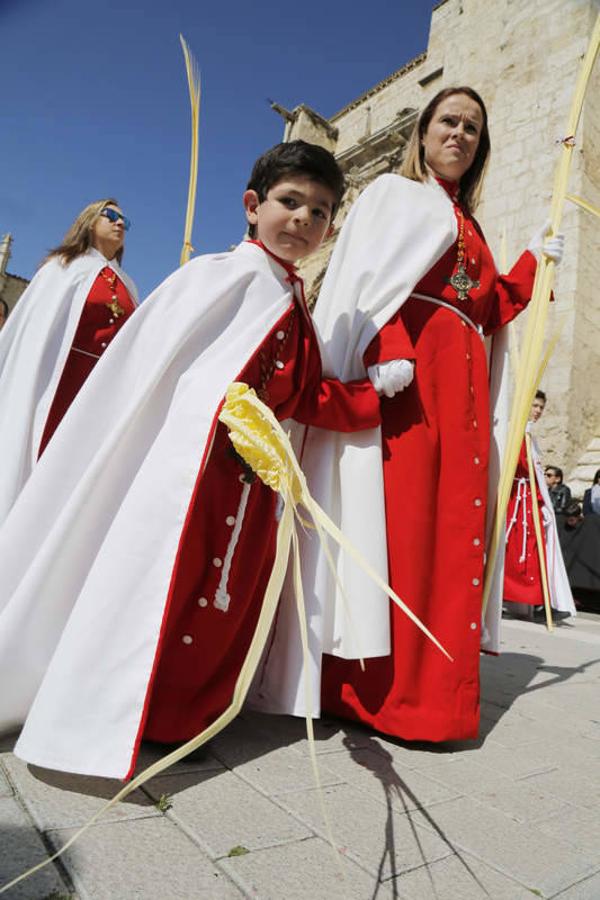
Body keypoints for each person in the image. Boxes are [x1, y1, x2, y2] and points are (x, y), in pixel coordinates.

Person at [0, 141, 410, 780]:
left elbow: (301, 394)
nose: (304, 220)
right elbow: (176, 381)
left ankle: (192, 713)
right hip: (198, 476)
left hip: (253, 484)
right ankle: (141, 710)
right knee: (177, 585)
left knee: (228, 596)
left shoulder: (291, 297)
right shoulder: (222, 276)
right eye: (290, 202)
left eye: (321, 211)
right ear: (253, 205)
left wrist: (372, 398)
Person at [252, 86, 565, 743]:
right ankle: (378, 696)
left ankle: (436, 701)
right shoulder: (394, 197)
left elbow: (484, 306)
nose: (460, 134)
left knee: (452, 533)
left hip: (463, 393)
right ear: (422, 131)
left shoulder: (469, 225)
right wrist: (386, 360)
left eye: (473, 129)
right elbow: (368, 289)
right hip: (408, 386)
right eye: (449, 121)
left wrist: (537, 258)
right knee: (403, 528)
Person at [0, 200, 137, 523]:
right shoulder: (62, 268)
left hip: (101, 393)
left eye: (125, 222)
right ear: (90, 221)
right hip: (59, 383)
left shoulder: (128, 286)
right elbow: (34, 336)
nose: (120, 224)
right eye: (112, 216)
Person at [503, 390, 575, 618]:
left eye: (541, 407)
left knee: (531, 547)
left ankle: (534, 600)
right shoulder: (513, 431)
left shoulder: (529, 436)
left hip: (527, 498)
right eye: (534, 406)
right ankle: (519, 599)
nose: (538, 411)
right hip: (516, 499)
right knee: (515, 548)